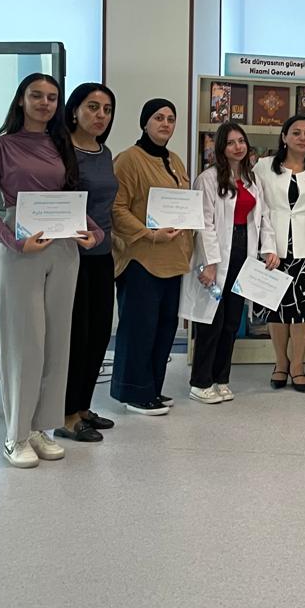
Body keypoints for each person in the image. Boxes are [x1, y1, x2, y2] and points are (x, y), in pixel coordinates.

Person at [0, 73, 100, 467]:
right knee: (25, 343)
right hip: (22, 247)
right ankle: (15, 435)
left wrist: (94, 231)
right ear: (21, 100)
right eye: (37, 96)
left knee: (57, 343)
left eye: (52, 97)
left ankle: (40, 428)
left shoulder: (60, 144)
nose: (45, 103)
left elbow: (67, 198)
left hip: (63, 248)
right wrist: (14, 242)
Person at [179, 122, 279, 404]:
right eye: (231, 142)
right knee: (212, 320)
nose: (238, 147)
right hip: (217, 254)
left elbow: (264, 217)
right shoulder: (208, 179)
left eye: (241, 141)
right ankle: (200, 382)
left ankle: (221, 379)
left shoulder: (252, 179)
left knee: (232, 321)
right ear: (221, 148)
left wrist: (269, 249)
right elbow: (205, 224)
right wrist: (210, 263)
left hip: (243, 252)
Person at [110, 99, 193, 416]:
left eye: (171, 119)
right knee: (139, 328)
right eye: (158, 118)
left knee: (164, 328)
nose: (165, 124)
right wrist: (148, 233)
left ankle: (152, 389)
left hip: (172, 260)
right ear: (145, 122)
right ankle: (134, 392)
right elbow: (117, 208)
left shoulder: (175, 160)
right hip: (141, 259)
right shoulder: (129, 160)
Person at [254, 115, 305, 394]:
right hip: (273, 249)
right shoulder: (264, 167)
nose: (302, 138)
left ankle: (298, 365)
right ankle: (280, 362)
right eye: (296, 132)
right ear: (284, 137)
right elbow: (257, 205)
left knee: (304, 311)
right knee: (276, 309)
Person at [56, 82, 118, 443]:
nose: (100, 115)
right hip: (71, 257)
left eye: (107, 110)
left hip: (102, 255)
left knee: (98, 335)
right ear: (75, 110)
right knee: (75, 338)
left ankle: (82, 407)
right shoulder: (61, 151)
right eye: (93, 107)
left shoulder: (104, 152)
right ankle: (65, 415)